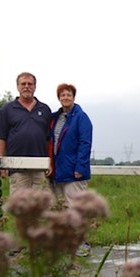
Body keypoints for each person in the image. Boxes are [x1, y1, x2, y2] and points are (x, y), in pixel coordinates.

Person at [49, 83, 93, 256]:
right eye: (62, 95)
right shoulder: (56, 118)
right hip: (59, 171)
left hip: (74, 172)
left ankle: (82, 243)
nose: (65, 97)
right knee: (61, 208)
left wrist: (80, 167)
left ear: (74, 97)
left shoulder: (81, 117)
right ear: (58, 98)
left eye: (68, 95)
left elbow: (85, 143)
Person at [0, 72, 52, 195]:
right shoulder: (7, 110)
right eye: (23, 84)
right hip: (17, 168)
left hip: (40, 167)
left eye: (30, 84)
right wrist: (2, 164)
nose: (26, 86)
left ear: (35, 87)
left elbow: (49, 139)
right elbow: (1, 138)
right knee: (20, 207)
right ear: (17, 87)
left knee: (41, 206)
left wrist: (50, 162)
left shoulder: (45, 109)